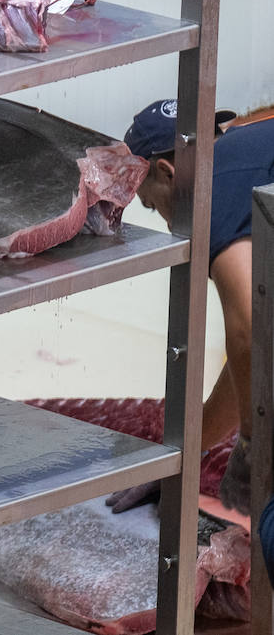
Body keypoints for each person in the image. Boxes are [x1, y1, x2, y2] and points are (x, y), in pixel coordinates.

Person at [105, 99, 274, 517]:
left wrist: (253, 444)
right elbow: (251, 358)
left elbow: (251, 333)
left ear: (168, 173)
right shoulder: (248, 146)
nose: (164, 221)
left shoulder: (208, 192)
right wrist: (188, 455)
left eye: (152, 204)